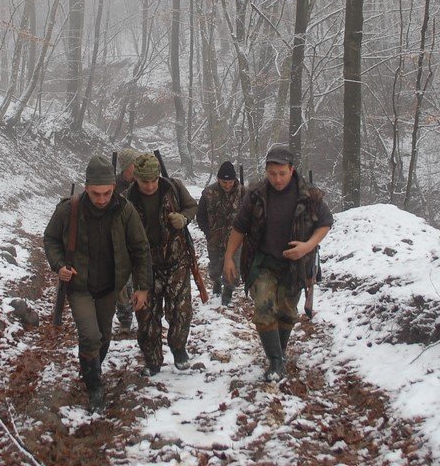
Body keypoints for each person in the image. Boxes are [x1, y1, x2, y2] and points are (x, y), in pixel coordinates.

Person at [44, 155, 151, 413]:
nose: (101, 199)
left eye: (106, 193)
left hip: (110, 286)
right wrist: (59, 266)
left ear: (113, 187)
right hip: (80, 287)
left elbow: (140, 248)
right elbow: (50, 239)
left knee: (103, 338)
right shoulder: (69, 209)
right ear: (86, 187)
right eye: (95, 194)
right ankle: (95, 387)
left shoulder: (125, 210)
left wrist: (142, 287)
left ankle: (90, 368)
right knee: (90, 336)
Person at [223, 144, 332, 382]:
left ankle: (278, 355)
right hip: (263, 262)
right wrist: (229, 256)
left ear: (291, 170)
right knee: (263, 309)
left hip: (295, 266)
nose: (277, 179)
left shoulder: (310, 195)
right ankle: (275, 362)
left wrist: (307, 245)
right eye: (272, 174)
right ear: (266, 172)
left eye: (282, 173)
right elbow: (239, 227)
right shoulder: (256, 195)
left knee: (287, 313)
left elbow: (325, 222)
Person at [125, 152, 198, 376]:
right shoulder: (126, 200)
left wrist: (183, 218)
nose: (149, 186)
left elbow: (192, 207)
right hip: (145, 266)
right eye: (144, 181)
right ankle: (152, 360)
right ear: (135, 178)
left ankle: (178, 348)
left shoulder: (173, 188)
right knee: (147, 316)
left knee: (180, 311)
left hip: (176, 260)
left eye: (153, 180)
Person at [197, 160, 245, 305]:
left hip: (235, 238)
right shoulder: (208, 193)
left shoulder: (243, 192)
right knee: (215, 266)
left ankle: (228, 292)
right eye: (224, 182)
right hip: (215, 238)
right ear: (218, 179)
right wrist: (208, 232)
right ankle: (217, 283)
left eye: (230, 182)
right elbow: (201, 216)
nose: (228, 185)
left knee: (233, 267)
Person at [113, 147, 141, 332]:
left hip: (139, 241)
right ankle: (125, 320)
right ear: (125, 167)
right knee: (122, 284)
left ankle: (145, 317)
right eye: (134, 165)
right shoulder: (112, 186)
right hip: (120, 243)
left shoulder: (142, 183)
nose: (137, 168)